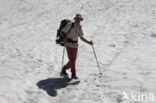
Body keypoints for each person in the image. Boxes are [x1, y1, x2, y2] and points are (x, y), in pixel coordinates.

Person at [60, 14, 93, 79]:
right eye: (77, 19)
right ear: (75, 19)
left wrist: (89, 43)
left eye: (79, 19)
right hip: (68, 44)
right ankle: (73, 74)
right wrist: (64, 38)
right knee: (72, 59)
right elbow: (62, 32)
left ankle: (64, 68)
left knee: (73, 60)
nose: (78, 20)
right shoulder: (70, 25)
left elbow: (81, 37)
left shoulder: (79, 27)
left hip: (75, 45)